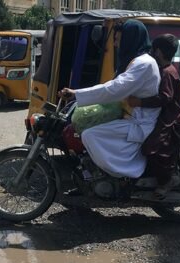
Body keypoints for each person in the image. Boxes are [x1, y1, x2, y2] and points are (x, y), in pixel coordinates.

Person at [58, 19, 160, 179]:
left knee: (90, 135)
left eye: (118, 40)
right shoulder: (134, 61)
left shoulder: (144, 64)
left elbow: (115, 88)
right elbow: (114, 86)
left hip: (140, 123)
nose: (115, 44)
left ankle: (119, 175)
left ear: (130, 40)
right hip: (130, 117)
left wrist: (76, 93)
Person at [126, 34, 180, 198]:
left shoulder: (167, 72)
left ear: (158, 51)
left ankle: (165, 181)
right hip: (163, 115)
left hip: (169, 118)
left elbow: (164, 98)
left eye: (153, 50)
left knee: (152, 147)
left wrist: (139, 102)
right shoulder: (165, 69)